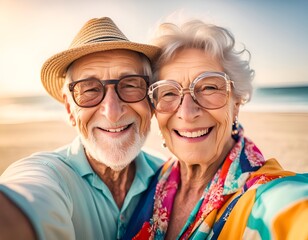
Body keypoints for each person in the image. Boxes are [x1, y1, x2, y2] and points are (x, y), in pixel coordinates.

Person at [123, 18, 308, 239]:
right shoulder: (147, 181)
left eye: (209, 87)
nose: (187, 113)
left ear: (236, 101)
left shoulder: (263, 194)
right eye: (169, 92)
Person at [0, 17, 164, 239]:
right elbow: (26, 199)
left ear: (151, 102)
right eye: (89, 90)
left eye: (131, 85)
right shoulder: (50, 174)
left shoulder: (170, 176)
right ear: (69, 110)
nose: (112, 111)